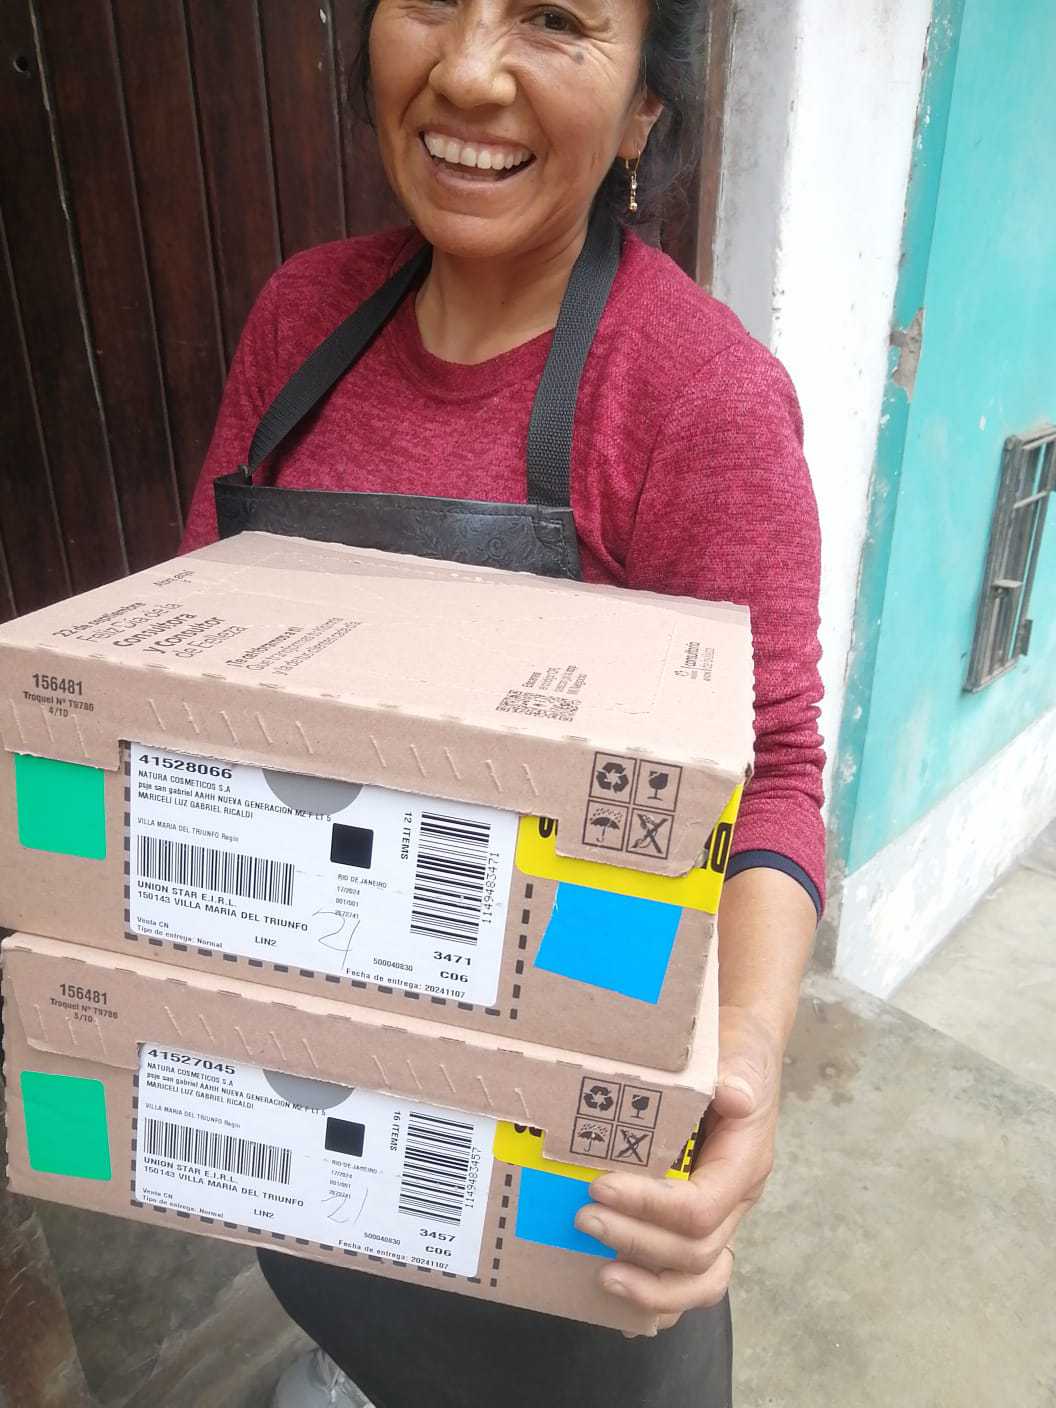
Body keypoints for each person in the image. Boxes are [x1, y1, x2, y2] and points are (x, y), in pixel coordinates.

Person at [180, 0, 825, 1402]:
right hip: (305, 1119)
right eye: (432, 1)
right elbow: (183, 662)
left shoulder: (699, 399)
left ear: (646, 107)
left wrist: (750, 1059)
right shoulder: (301, 317)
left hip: (561, 1200)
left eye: (554, 20)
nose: (469, 71)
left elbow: (773, 767)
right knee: (352, 1318)